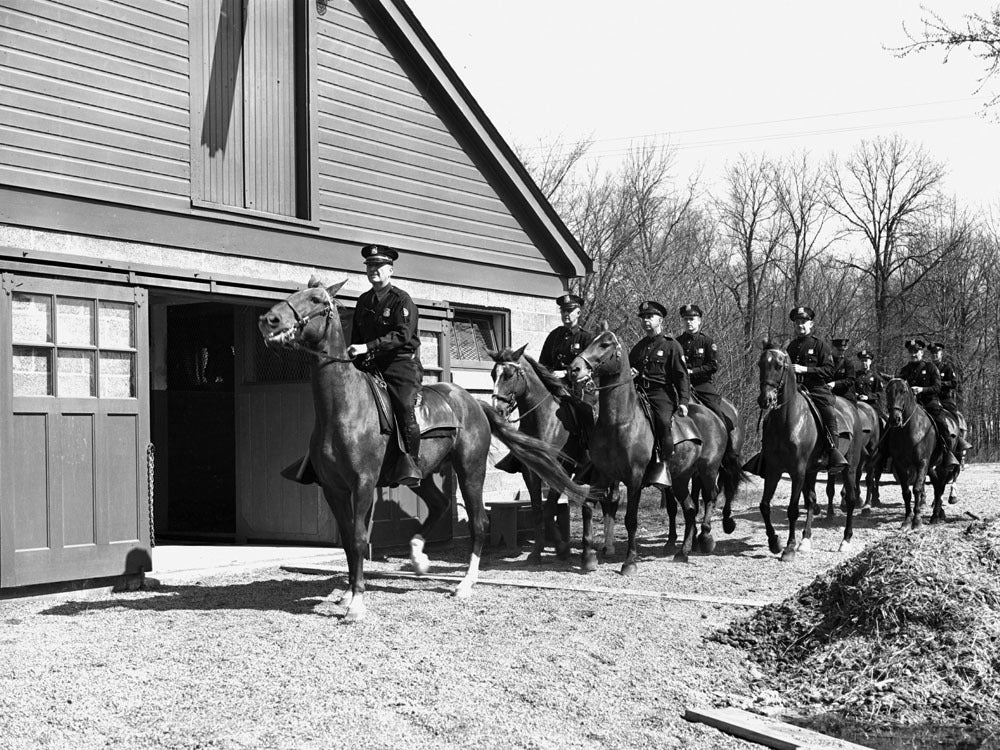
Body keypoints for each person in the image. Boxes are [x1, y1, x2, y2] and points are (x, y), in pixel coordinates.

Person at [346, 244, 423, 487]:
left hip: (399, 365)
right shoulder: (364, 300)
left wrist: (367, 347)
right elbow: (356, 337)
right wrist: (352, 358)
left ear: (390, 270)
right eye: (369, 266)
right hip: (370, 365)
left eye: (378, 266)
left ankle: (411, 463)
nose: (373, 270)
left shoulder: (402, 300)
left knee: (404, 408)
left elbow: (402, 335)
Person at [537, 292, 595, 543]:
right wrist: (553, 374)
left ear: (579, 312)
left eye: (570, 311)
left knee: (584, 415)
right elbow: (541, 365)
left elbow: (593, 369)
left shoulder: (587, 338)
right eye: (563, 311)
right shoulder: (554, 337)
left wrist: (569, 375)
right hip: (554, 390)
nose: (566, 315)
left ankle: (588, 452)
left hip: (578, 393)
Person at [628, 300, 691, 487]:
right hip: (639, 392)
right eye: (643, 318)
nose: (645, 321)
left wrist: (684, 402)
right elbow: (629, 369)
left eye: (650, 317)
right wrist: (631, 374)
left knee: (663, 422)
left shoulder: (671, 346)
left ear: (660, 320)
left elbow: (681, 376)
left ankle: (663, 465)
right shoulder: (639, 347)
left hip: (661, 394)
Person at [786, 306, 848, 470]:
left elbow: (828, 371)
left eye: (804, 322)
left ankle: (832, 453)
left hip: (816, 389)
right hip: (794, 390)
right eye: (797, 322)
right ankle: (767, 453)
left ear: (811, 324)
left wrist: (804, 369)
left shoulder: (820, 346)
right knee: (771, 414)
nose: (800, 325)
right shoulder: (790, 347)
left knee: (828, 415)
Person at [896, 339, 966, 473]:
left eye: (916, 351)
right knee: (892, 423)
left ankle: (948, 453)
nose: (913, 354)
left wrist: (922, 390)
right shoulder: (904, 370)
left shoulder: (930, 368)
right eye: (910, 352)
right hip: (911, 405)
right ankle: (885, 454)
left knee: (941, 422)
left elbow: (937, 387)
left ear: (921, 352)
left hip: (929, 402)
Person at [676, 303, 730, 429]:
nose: (688, 322)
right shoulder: (676, 342)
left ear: (699, 321)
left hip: (701, 384)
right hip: (679, 384)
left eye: (692, 319)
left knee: (716, 410)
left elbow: (713, 366)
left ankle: (727, 439)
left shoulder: (707, 341)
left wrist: (692, 372)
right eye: (685, 319)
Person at [928, 342, 962, 413]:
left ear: (941, 354)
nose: (934, 355)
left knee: (953, 414)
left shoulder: (947, 368)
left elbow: (954, 383)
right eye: (932, 353)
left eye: (936, 352)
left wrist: (941, 384)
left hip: (944, 399)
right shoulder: (927, 368)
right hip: (929, 399)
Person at [854, 349, 885, 415]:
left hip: (872, 405)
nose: (864, 363)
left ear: (870, 362)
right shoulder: (855, 375)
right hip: (857, 404)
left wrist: (868, 397)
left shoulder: (876, 376)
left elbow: (880, 393)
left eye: (866, 361)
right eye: (862, 361)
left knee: (881, 421)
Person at [829, 337, 857, 403]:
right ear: (832, 348)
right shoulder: (827, 361)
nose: (841, 352)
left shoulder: (848, 362)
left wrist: (835, 384)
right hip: (829, 393)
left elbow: (850, 380)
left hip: (845, 395)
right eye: (839, 350)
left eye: (843, 350)